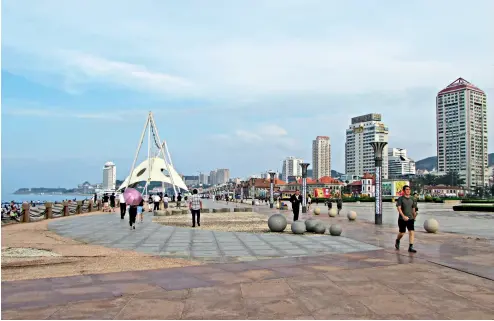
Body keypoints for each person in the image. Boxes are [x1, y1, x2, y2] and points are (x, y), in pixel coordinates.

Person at [395, 185, 418, 253]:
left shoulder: (413, 199)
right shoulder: (400, 199)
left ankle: (410, 247)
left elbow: (413, 209)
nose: (408, 191)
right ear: (404, 191)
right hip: (402, 219)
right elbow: (399, 208)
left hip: (410, 218)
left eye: (409, 189)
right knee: (402, 232)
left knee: (411, 232)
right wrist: (403, 216)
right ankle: (397, 240)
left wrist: (414, 216)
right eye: (406, 189)